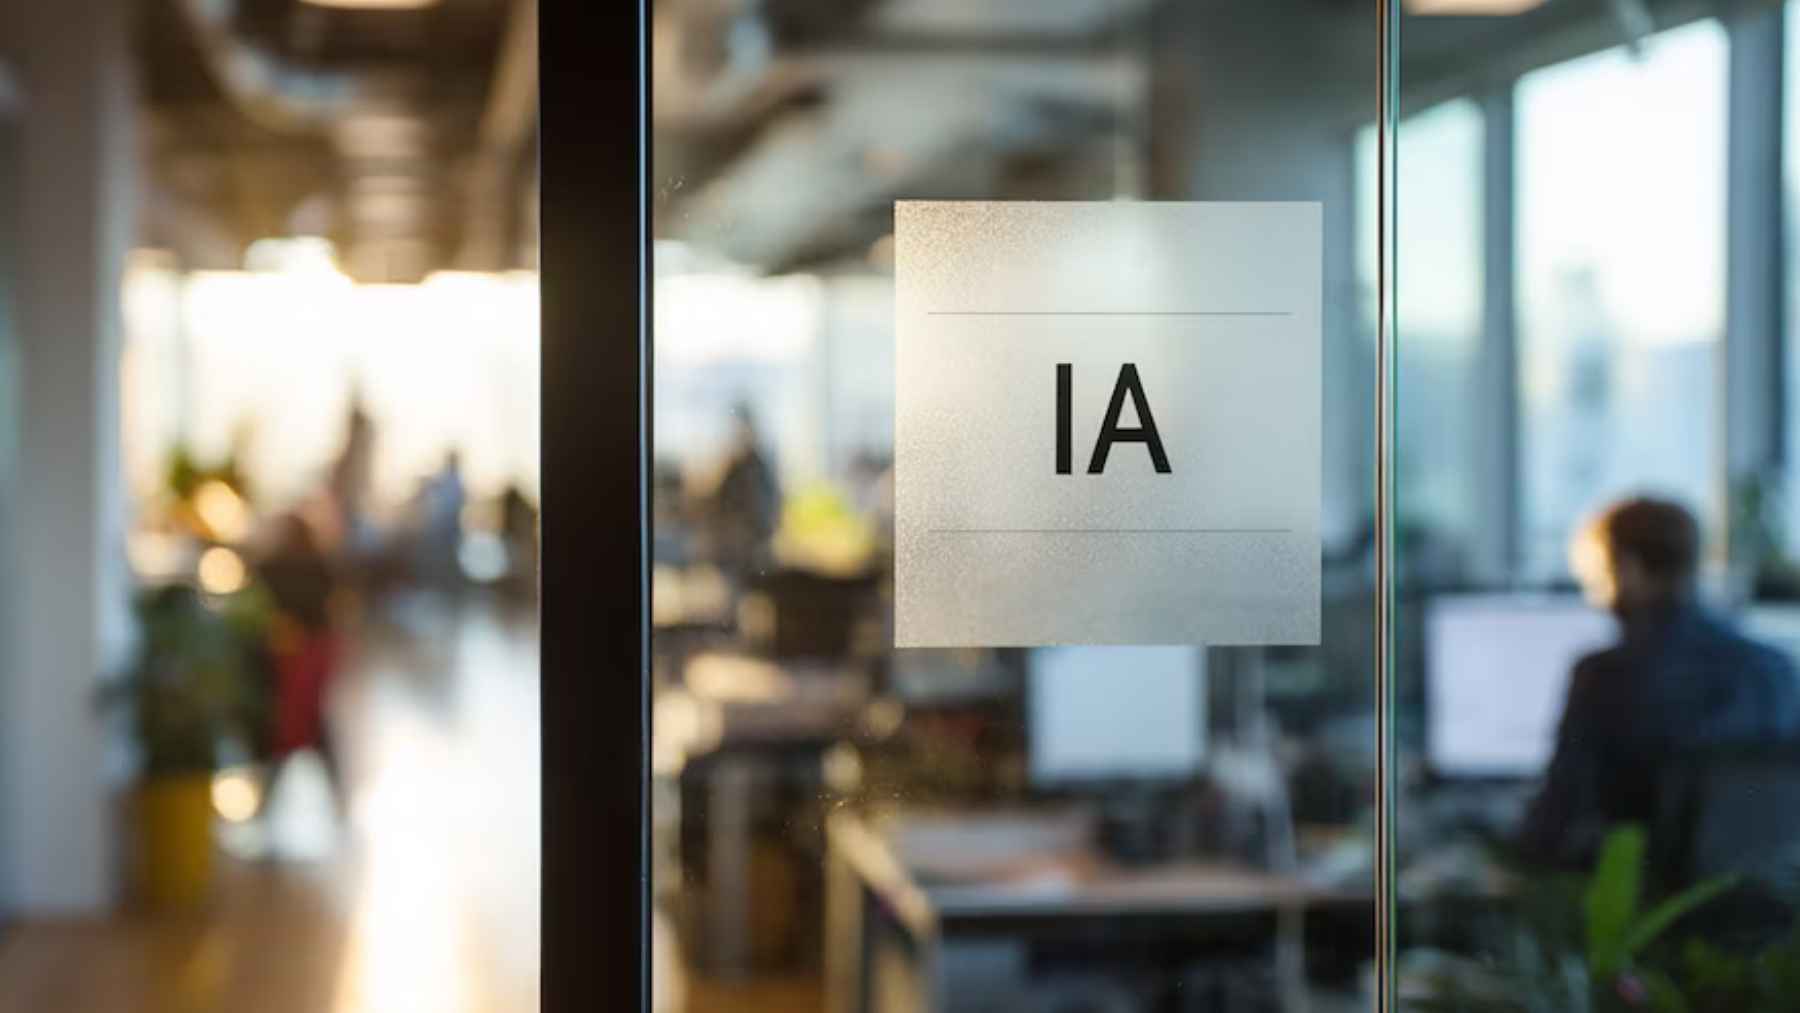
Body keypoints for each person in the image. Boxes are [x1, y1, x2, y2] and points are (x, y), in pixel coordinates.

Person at [1519, 497, 1800, 867]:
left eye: (1597, 578)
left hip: (1643, 912)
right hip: (1768, 908)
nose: (1597, 596)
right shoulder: (1776, 669)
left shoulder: (1606, 676)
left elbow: (1555, 825)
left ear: (1628, 568)